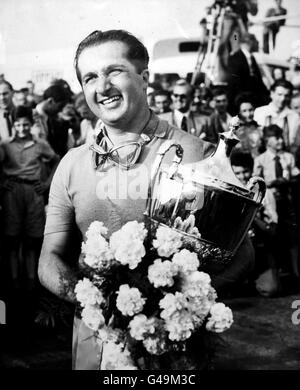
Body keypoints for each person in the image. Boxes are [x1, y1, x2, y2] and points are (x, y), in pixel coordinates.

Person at [38, 29, 254, 370]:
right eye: (90, 77)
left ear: (144, 78)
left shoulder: (195, 153)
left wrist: (181, 301)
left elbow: (241, 255)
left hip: (172, 342)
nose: (103, 87)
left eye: (114, 71)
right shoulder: (71, 164)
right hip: (94, 338)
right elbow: (49, 259)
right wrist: (99, 302)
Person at [0, 106, 58, 291]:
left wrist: (47, 183)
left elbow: (57, 159)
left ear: (31, 124)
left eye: (26, 124)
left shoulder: (39, 143)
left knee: (32, 239)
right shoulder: (6, 145)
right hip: (13, 191)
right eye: (18, 124)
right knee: (12, 238)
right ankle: (15, 281)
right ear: (13, 126)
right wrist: (2, 181)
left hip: (33, 192)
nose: (22, 128)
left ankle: (32, 282)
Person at [231, 151, 280, 297]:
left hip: (260, 249)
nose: (242, 177)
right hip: (236, 250)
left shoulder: (265, 193)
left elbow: (271, 230)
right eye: (237, 172)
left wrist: (251, 215)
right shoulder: (229, 190)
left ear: (251, 170)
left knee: (271, 289)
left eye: (245, 171)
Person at [253, 124, 300, 278]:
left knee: (292, 236)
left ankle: (296, 272)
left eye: (281, 137)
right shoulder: (261, 159)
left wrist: (287, 181)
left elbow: (295, 177)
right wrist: (272, 183)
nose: (280, 141)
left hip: (286, 200)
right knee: (274, 236)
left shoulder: (288, 157)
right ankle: (276, 272)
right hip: (270, 203)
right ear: (267, 140)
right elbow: (256, 182)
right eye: (277, 138)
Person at [254, 79, 300, 156]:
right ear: (272, 93)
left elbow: (296, 144)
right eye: (279, 94)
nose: (282, 99)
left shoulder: (294, 117)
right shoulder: (260, 112)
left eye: (286, 95)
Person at [227, 33, 270, 114]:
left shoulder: (252, 58)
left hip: (254, 100)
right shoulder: (235, 58)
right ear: (250, 42)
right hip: (242, 103)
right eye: (257, 42)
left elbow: (258, 81)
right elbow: (234, 83)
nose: (258, 45)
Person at [234, 93, 263, 157]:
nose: (248, 114)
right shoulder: (235, 130)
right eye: (244, 111)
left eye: (250, 110)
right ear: (239, 112)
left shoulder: (259, 128)